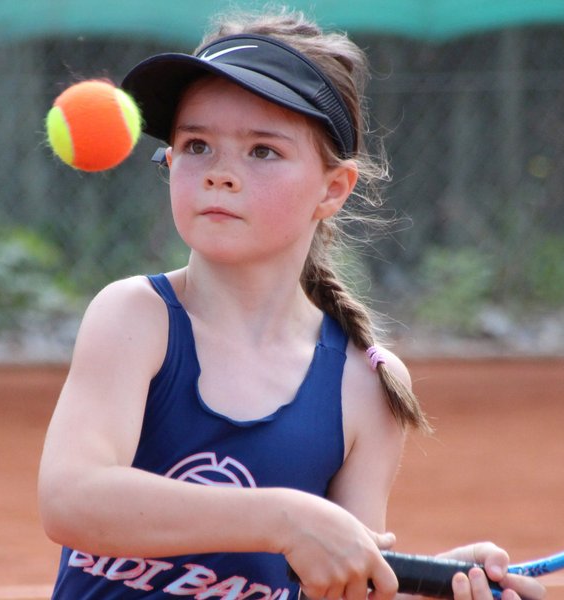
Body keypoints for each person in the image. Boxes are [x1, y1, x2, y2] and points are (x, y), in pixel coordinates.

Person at [38, 7, 545, 600]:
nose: (220, 174)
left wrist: (432, 585)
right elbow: (71, 498)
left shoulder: (364, 384)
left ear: (333, 188)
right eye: (197, 144)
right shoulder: (136, 316)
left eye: (263, 151)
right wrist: (282, 520)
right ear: (169, 162)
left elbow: (340, 582)